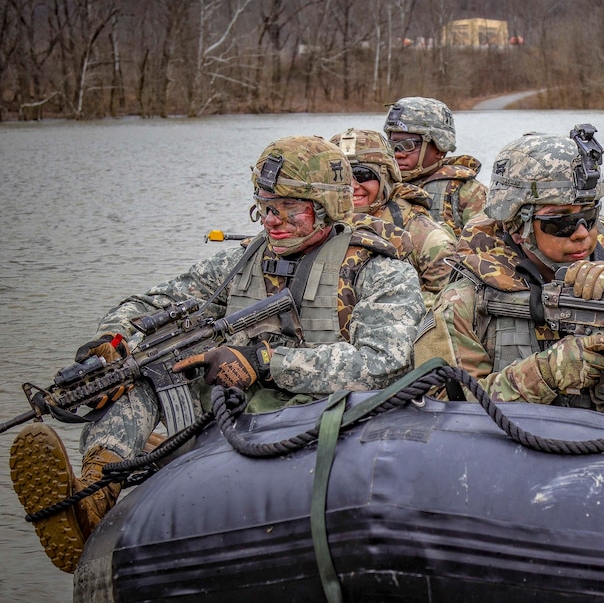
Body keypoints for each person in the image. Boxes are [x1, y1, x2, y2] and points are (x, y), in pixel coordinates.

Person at [9, 135, 425, 573]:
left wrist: (263, 363)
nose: (273, 222)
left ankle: (154, 456)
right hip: (227, 413)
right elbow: (150, 304)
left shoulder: (379, 270)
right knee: (142, 371)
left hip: (319, 422)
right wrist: (113, 342)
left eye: (290, 209)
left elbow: (384, 363)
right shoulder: (237, 265)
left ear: (327, 208)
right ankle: (95, 492)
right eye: (265, 207)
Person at [414, 130, 604, 409]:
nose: (580, 234)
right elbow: (441, 405)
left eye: (589, 216)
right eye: (560, 222)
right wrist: (545, 374)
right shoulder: (465, 303)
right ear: (518, 227)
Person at [330, 127, 456, 309]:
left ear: (387, 176)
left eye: (363, 174)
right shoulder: (316, 226)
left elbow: (451, 303)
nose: (351, 186)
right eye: (340, 177)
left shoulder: (425, 236)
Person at [382, 96, 488, 237]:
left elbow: (487, 247)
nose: (398, 154)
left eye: (409, 145)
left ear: (439, 148)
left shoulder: (468, 192)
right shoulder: (377, 186)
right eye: (392, 145)